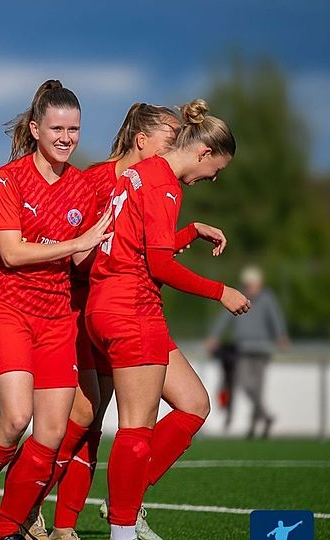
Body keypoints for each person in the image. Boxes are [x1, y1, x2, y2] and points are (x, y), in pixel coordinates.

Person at [0, 80, 112, 540]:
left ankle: (6, 532)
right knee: (15, 419)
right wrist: (79, 242)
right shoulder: (8, 179)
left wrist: (120, 249)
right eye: (57, 128)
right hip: (8, 312)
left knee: (51, 433)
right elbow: (13, 252)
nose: (66, 137)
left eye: (74, 129)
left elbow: (83, 259)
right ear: (37, 128)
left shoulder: (81, 186)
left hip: (57, 319)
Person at [86, 99, 251, 540]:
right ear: (201, 153)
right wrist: (222, 291)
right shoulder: (165, 183)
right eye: (215, 168)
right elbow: (158, 266)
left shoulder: (140, 172)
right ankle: (124, 525)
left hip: (108, 305)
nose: (213, 178)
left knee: (194, 404)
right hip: (130, 309)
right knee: (135, 429)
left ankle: (126, 499)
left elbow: (137, 244)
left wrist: (189, 230)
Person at [39, 103, 182, 540]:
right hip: (85, 308)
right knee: (87, 415)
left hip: (126, 309)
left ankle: (95, 516)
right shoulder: (97, 179)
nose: (176, 149)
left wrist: (185, 235)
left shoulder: (156, 183)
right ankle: (33, 509)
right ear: (143, 140)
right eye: (171, 139)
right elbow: (69, 244)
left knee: (180, 406)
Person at [206, 265, 289, 439]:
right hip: (243, 348)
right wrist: (214, 336)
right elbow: (225, 317)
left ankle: (255, 424)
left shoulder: (267, 298)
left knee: (257, 389)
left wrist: (281, 335)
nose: (251, 287)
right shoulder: (238, 297)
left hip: (262, 349)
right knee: (245, 383)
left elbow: (275, 317)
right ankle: (265, 416)